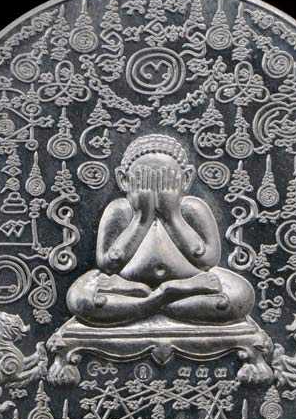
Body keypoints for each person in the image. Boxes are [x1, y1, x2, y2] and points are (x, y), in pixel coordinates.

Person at [67, 134, 255, 326]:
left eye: (166, 180)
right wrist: (141, 219)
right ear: (124, 180)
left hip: (186, 282)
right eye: (144, 181)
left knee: (241, 295)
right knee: (79, 298)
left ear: (186, 179)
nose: (155, 190)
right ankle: (162, 299)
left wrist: (172, 216)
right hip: (137, 286)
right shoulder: (120, 210)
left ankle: (154, 300)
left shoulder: (192, 208)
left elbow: (208, 260)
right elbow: (108, 265)